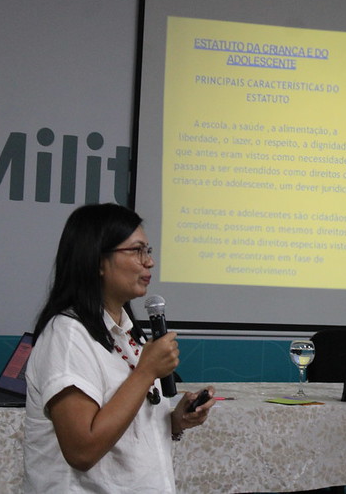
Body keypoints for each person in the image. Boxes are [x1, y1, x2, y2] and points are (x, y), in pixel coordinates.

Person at [23, 203, 215, 493]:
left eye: (148, 250)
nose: (149, 262)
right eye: (137, 250)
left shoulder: (127, 333)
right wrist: (146, 372)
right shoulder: (68, 336)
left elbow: (125, 425)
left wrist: (175, 422)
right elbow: (82, 451)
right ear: (98, 261)